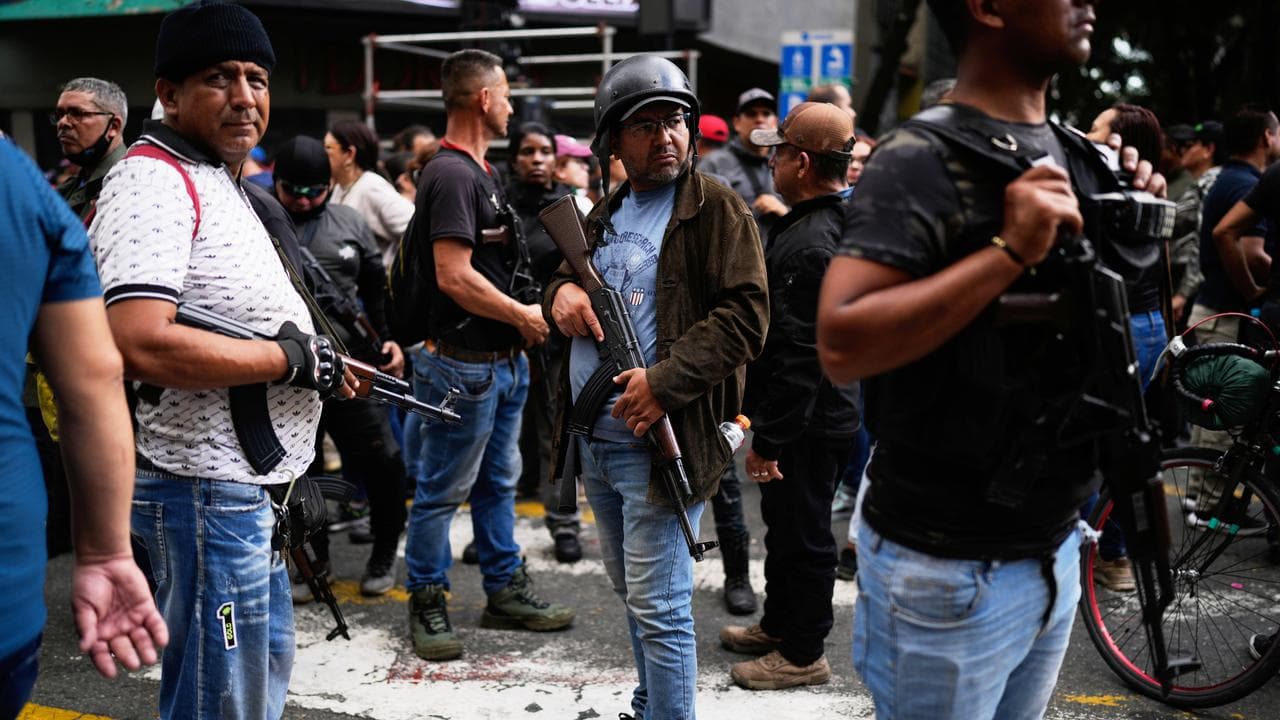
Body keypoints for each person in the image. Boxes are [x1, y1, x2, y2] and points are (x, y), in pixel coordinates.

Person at [817, 0, 1169, 716]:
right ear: (986, 7)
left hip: (1055, 546)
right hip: (945, 569)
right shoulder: (918, 158)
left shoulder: (1074, 152)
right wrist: (1007, 253)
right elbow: (842, 342)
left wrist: (1132, 216)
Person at [88, 2, 355, 716]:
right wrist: (283, 361)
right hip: (205, 498)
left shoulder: (215, 175)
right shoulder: (152, 180)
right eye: (219, 77)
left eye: (257, 78)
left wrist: (317, 359)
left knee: (251, 681)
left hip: (244, 495)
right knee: (217, 696)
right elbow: (137, 338)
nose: (245, 96)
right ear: (169, 94)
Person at [545, 54, 768, 720]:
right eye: (645, 125)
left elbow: (746, 317)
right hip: (599, 446)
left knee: (663, 609)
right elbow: (558, 275)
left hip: (658, 444)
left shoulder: (716, 207)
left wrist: (665, 383)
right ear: (614, 142)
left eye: (674, 120)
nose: (664, 136)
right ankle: (650, 706)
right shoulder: (607, 212)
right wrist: (559, 294)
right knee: (635, 596)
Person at [403, 48, 573, 663]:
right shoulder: (451, 174)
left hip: (500, 366)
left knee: (498, 485)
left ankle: (503, 588)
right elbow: (453, 275)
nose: (509, 104)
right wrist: (525, 315)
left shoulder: (478, 171)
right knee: (441, 491)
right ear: (482, 99)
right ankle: (427, 596)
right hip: (462, 368)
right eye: (504, 94)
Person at [0, 136, 167, 719]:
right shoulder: (24, 186)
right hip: (9, 603)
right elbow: (95, 382)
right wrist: (102, 553)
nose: (64, 123)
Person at [722, 101, 859, 690]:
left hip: (807, 419)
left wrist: (768, 440)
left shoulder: (812, 241)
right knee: (785, 528)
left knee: (804, 537)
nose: (770, 160)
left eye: (777, 152)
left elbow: (802, 355)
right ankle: (779, 625)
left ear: (801, 162)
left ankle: (803, 654)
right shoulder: (820, 222)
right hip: (807, 412)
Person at [271, 135, 410, 597]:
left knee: (385, 463)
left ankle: (384, 552)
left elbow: (376, 288)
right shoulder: (258, 219)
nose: (307, 200)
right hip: (286, 375)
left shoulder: (349, 220)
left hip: (350, 368)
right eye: (296, 191)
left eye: (317, 191)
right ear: (276, 182)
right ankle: (314, 563)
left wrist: (389, 338)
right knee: (296, 473)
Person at [1184, 106, 1280, 528]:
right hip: (1224, 308)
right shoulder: (1247, 182)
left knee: (1212, 411)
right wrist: (1253, 290)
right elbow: (1249, 250)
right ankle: (1207, 508)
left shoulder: (1228, 177)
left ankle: (1201, 503)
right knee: (1223, 413)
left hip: (1213, 305)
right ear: (1266, 137)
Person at [504, 123, 584, 563]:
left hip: (556, 341)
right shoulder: (499, 203)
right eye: (527, 151)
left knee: (556, 432)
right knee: (507, 438)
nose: (536, 159)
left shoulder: (569, 205)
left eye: (544, 151)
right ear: (514, 158)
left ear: (556, 158)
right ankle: (494, 532)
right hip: (506, 335)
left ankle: (565, 524)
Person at [326, 118, 416, 267]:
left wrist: (390, 266)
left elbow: (414, 228)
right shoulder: (340, 187)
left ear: (349, 154)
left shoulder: (371, 187)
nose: (323, 154)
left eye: (328, 147)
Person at [700, 87, 789, 238]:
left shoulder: (787, 162)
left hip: (780, 257)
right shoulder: (713, 164)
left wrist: (783, 211)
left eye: (766, 114)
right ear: (737, 123)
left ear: (774, 122)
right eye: (751, 114)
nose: (759, 119)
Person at [1168, 120, 1223, 327]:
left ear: (1208, 150)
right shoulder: (1199, 184)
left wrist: (1183, 294)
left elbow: (1203, 239)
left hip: (1193, 289)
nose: (1183, 151)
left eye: (1191, 146)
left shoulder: (1210, 184)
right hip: (1186, 285)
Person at [53, 77, 128, 221]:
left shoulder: (131, 184)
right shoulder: (69, 189)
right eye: (60, 115)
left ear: (113, 126)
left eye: (77, 114)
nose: (62, 123)